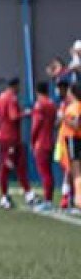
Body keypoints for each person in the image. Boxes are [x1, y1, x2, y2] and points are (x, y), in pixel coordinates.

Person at [0, 79, 27, 209]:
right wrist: (26, 113)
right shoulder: (12, 98)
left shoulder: (0, 97)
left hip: (3, 136)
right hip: (11, 137)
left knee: (16, 165)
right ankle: (4, 197)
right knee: (8, 166)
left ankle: (27, 193)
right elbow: (13, 116)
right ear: (15, 85)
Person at [30, 91, 58, 210]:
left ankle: (48, 201)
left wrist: (32, 140)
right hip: (51, 141)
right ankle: (49, 199)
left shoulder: (39, 104)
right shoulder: (52, 104)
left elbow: (36, 124)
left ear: (38, 92)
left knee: (44, 173)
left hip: (41, 143)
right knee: (48, 173)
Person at [57, 81, 81, 211]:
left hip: (74, 139)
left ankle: (75, 199)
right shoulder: (72, 105)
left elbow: (76, 124)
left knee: (74, 172)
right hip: (71, 139)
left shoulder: (74, 107)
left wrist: (64, 119)